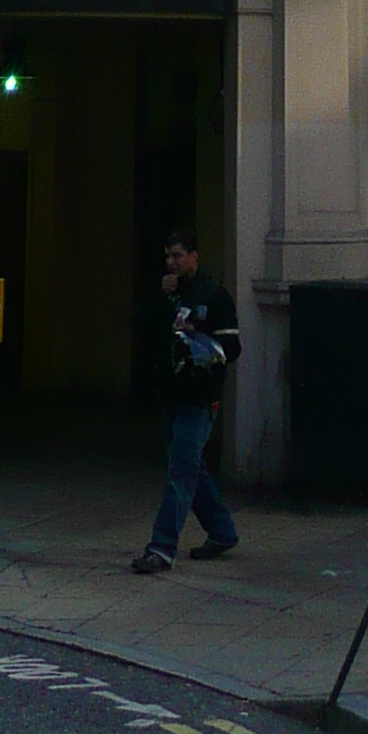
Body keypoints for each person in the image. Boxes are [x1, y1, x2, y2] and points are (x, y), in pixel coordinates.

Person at [132, 228, 241, 574]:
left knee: (180, 470)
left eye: (178, 255)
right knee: (190, 465)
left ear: (194, 256)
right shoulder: (170, 296)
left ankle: (162, 547)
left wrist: (201, 345)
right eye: (168, 256)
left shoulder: (214, 295)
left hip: (199, 396)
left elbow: (232, 347)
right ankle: (222, 531)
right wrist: (161, 299)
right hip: (172, 393)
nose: (172, 262)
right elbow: (147, 331)